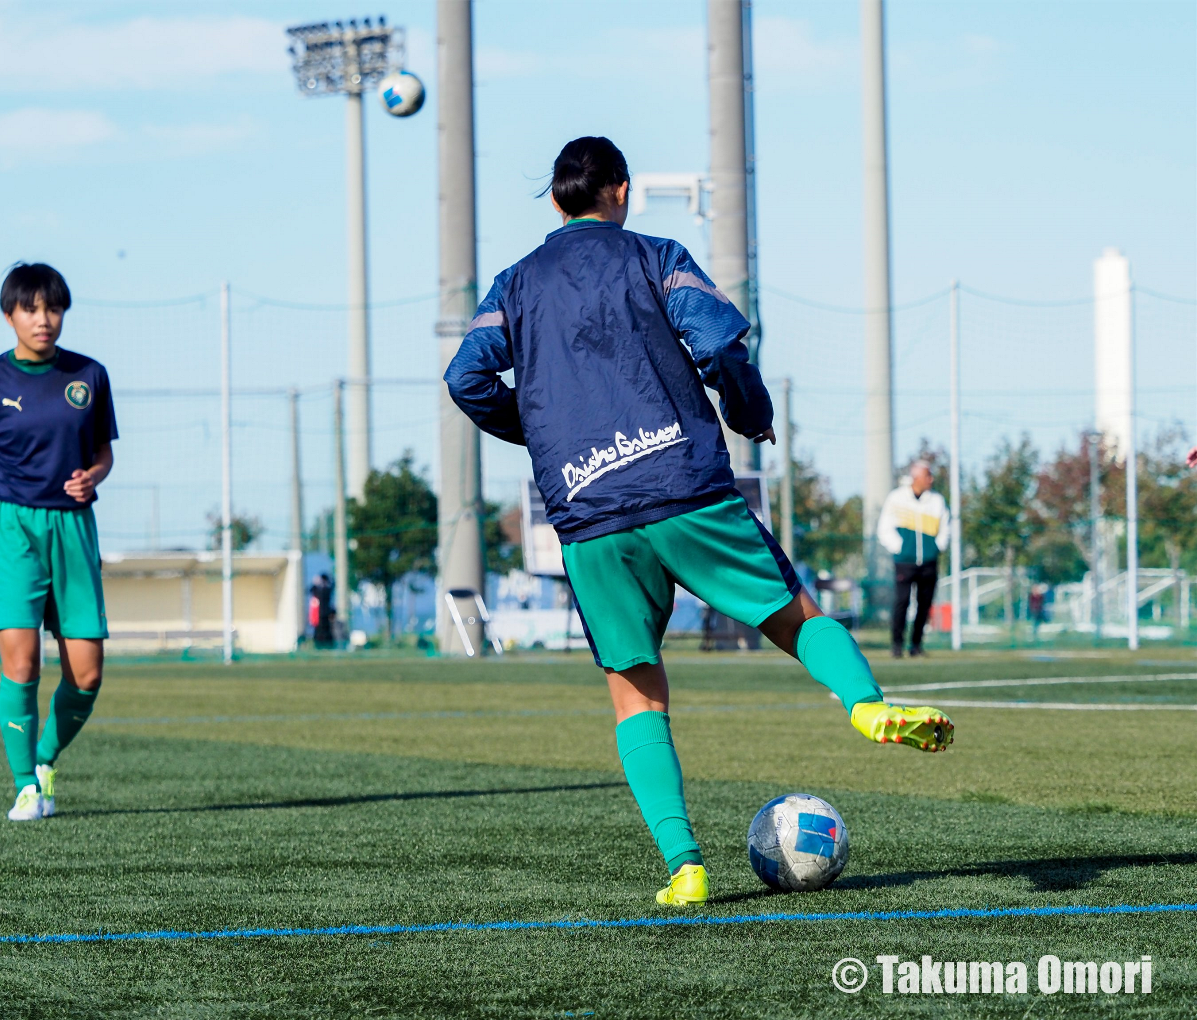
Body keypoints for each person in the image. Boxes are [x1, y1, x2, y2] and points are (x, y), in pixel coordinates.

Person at [444, 137, 954, 908]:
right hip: (683, 485)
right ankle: (868, 704)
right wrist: (752, 411)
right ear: (622, 190)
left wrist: (545, 431)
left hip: (589, 510)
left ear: (556, 201)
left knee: (635, 690)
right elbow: (718, 339)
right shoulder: (658, 255)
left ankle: (685, 866)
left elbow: (466, 377)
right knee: (793, 614)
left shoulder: (514, 284)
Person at [0, 263, 117, 822]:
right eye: (32, 309)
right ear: (9, 314)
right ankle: (24, 787)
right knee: (24, 663)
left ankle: (43, 761)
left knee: (86, 674)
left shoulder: (90, 375)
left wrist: (95, 475)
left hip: (72, 528)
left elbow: (104, 452)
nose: (44, 320)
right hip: (9, 529)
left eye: (54, 308)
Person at [876, 462, 950, 658]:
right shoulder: (896, 498)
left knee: (925, 604)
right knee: (902, 602)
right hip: (905, 562)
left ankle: (916, 646)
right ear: (916, 478)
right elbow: (884, 528)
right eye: (928, 475)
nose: (931, 479)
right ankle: (897, 645)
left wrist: (936, 548)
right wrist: (899, 548)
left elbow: (945, 527)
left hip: (929, 562)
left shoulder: (937, 501)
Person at [309, 573, 336, 649]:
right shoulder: (321, 590)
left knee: (326, 630)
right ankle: (320, 645)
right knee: (319, 631)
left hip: (325, 614)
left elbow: (311, 590)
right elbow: (310, 590)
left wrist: (315, 583)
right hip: (320, 614)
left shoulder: (323, 590)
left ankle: (325, 645)